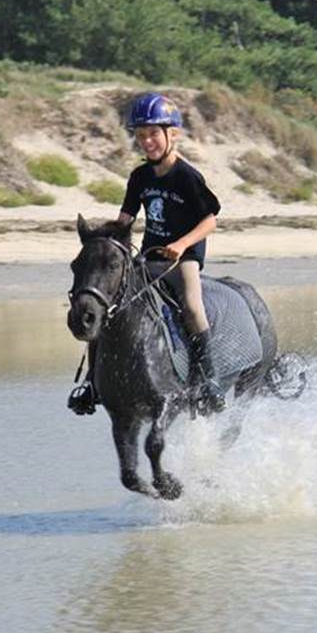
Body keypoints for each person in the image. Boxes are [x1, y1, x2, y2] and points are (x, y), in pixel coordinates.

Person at [69, 92, 226, 415]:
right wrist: (103, 238)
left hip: (183, 259)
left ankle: (208, 380)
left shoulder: (187, 176)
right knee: (110, 304)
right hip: (149, 257)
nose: (147, 141)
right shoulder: (140, 177)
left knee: (193, 308)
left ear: (173, 134)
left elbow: (210, 220)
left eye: (153, 133)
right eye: (141, 135)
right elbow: (126, 220)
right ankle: (91, 383)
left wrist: (182, 245)